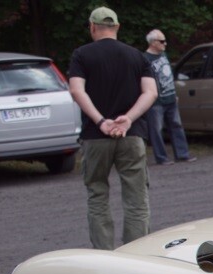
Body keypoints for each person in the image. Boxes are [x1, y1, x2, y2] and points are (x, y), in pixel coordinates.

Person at [68, 7, 158, 250]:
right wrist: (128, 119)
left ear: (92, 27)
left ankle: (104, 255)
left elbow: (76, 90)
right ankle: (136, 253)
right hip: (131, 136)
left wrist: (101, 121)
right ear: (117, 27)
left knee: (97, 196)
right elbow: (150, 92)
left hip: (95, 137)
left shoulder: (81, 55)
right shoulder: (136, 56)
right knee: (136, 199)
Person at [143, 29, 195, 165]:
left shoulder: (163, 55)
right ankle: (161, 157)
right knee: (156, 129)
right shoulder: (145, 59)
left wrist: (174, 94)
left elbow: (169, 76)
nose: (165, 44)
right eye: (162, 41)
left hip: (170, 98)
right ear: (153, 43)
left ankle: (182, 154)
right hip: (156, 101)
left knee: (177, 125)